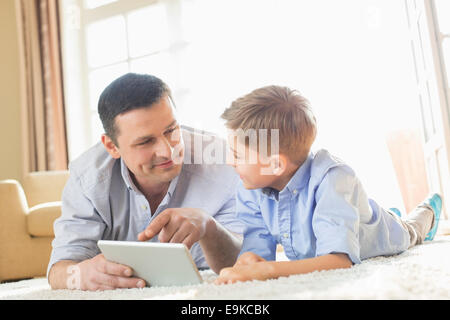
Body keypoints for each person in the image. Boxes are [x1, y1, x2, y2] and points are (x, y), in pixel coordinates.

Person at [214, 85, 442, 284]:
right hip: (348, 214)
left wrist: (268, 270)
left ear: (275, 165)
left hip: (386, 234)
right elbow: (257, 248)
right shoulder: (251, 187)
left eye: (237, 155)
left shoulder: (334, 179)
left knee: (410, 231)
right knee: (360, 216)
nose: (229, 161)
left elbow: (339, 262)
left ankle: (428, 211)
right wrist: (248, 261)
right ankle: (374, 215)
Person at [47, 73, 243, 291]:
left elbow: (248, 262)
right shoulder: (88, 179)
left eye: (171, 130)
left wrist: (210, 228)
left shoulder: (224, 162)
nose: (167, 151)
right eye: (146, 141)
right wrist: (79, 275)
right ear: (112, 146)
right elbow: (58, 271)